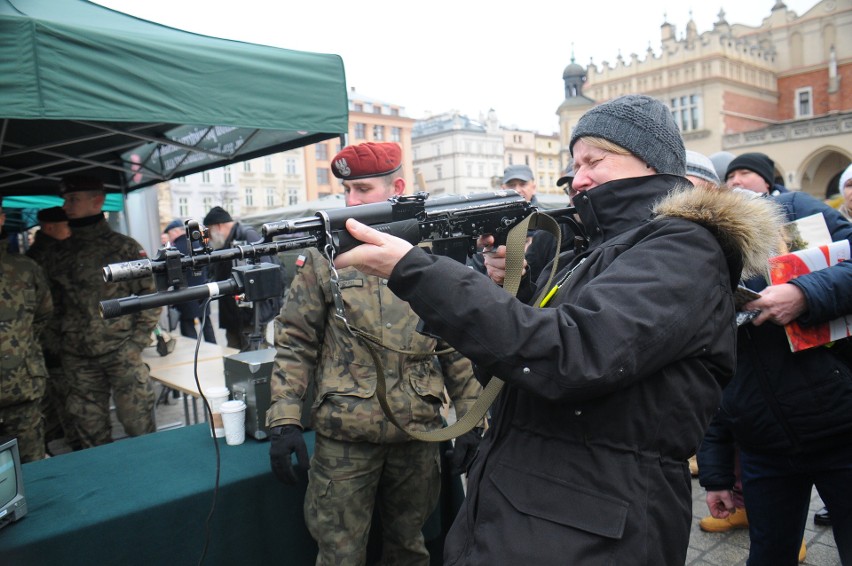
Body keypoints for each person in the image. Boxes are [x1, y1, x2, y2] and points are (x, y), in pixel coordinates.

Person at [332, 94, 782, 565]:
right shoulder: (591, 252)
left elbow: (569, 356)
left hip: (590, 527)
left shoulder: (685, 248)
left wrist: (414, 271)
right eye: (574, 162)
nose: (578, 177)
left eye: (595, 160)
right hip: (534, 509)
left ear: (652, 164)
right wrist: (505, 287)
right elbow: (513, 374)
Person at [266, 141, 482, 566]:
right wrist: (284, 418)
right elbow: (295, 339)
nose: (351, 201)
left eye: (363, 190)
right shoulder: (326, 254)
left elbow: (455, 343)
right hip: (346, 439)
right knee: (339, 554)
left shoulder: (432, 252)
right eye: (347, 190)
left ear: (396, 187)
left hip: (417, 433)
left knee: (410, 548)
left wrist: (472, 420)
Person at [697, 152, 852, 565]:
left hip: (840, 426)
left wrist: (805, 294)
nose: (736, 182)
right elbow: (709, 371)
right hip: (761, 444)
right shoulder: (693, 247)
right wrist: (716, 474)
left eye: (744, 173)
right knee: (769, 555)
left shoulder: (796, 211)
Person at [51, 175, 159, 448]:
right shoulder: (58, 253)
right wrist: (61, 345)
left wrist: (136, 343)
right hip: (78, 356)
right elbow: (50, 307)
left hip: (121, 350)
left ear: (97, 201)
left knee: (139, 424)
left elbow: (150, 296)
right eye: (65, 199)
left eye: (73, 199)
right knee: (89, 431)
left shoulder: (124, 247)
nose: (66, 205)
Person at [0, 198, 53, 462]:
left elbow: (43, 314)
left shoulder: (24, 268)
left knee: (32, 471)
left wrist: (17, 346)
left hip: (22, 390)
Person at [25, 206, 80, 452]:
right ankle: (71, 446)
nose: (69, 231)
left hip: (51, 342)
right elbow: (46, 308)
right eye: (65, 225)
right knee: (67, 401)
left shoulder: (36, 254)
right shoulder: (43, 257)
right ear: (49, 228)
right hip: (55, 343)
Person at [203, 206, 281, 350]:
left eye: (209, 232)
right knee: (234, 356)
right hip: (233, 317)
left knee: (253, 358)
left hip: (250, 316)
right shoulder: (224, 242)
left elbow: (265, 273)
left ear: (218, 226)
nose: (209, 239)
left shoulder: (247, 236)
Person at [163, 219, 216, 343]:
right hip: (203, 291)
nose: (170, 237)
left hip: (184, 295)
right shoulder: (197, 244)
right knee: (206, 323)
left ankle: (193, 350)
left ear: (176, 232)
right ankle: (213, 347)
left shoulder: (174, 250)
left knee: (188, 326)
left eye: (170, 234)